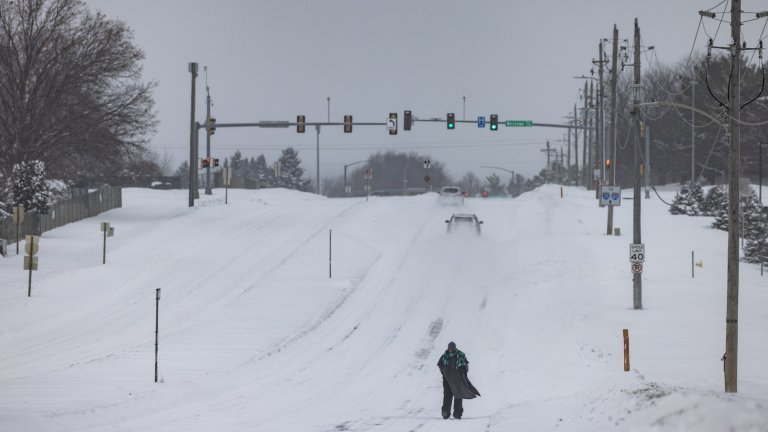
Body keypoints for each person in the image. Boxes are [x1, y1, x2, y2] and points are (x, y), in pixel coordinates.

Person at [437, 341, 480, 419]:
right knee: (447, 396)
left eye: (452, 348)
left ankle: (457, 413)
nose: (450, 349)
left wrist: (463, 374)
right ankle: (445, 413)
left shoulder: (460, 355)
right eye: (449, 348)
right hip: (447, 380)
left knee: (458, 395)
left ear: (454, 348)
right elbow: (440, 365)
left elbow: (466, 365)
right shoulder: (444, 356)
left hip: (458, 380)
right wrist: (443, 373)